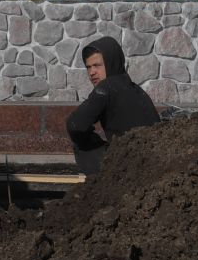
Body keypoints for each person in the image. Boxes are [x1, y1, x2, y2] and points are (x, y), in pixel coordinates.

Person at [65, 36, 159, 176]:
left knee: (81, 141)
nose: (92, 72)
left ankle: (103, 179)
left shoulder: (106, 88)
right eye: (88, 67)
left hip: (130, 168)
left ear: (111, 63)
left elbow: (75, 125)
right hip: (154, 162)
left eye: (97, 65)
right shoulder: (135, 89)